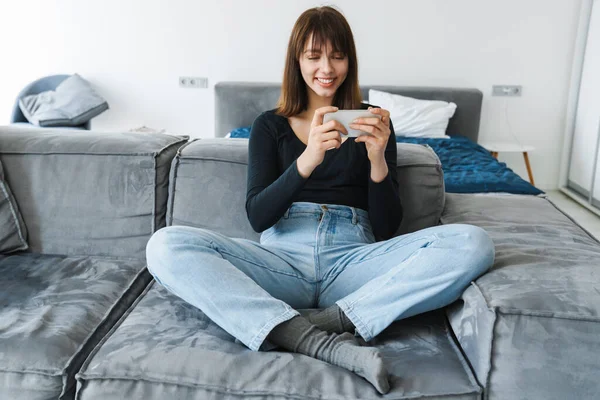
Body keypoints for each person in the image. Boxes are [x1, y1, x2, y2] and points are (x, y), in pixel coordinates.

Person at [146, 6, 495, 395]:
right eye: (313, 56)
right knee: (165, 244)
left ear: (350, 60)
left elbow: (386, 228)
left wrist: (378, 160)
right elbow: (259, 216)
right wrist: (308, 158)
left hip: (353, 263)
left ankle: (328, 320)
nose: (326, 68)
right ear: (297, 61)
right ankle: (315, 338)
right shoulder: (270, 125)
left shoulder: (373, 121)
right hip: (282, 261)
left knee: (473, 242)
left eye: (337, 55)